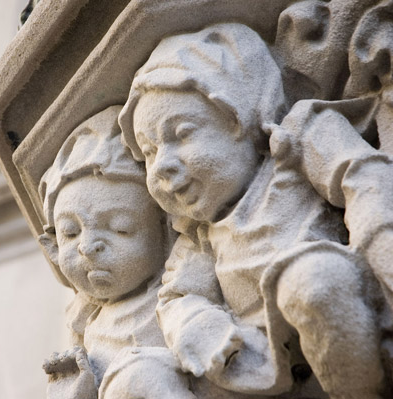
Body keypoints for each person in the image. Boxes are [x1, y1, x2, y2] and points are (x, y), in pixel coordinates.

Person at [119, 23, 387, 399]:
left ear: (239, 118)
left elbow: (366, 179)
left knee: (311, 280)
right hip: (254, 360)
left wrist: (380, 242)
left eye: (180, 133)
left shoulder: (300, 139)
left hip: (344, 324)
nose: (161, 164)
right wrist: (200, 325)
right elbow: (178, 299)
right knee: (133, 377)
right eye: (148, 152)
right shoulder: (200, 237)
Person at [39, 106, 185, 399]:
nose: (88, 246)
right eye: (70, 232)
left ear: (167, 231)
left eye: (120, 227)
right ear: (52, 248)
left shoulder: (177, 299)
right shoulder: (86, 328)